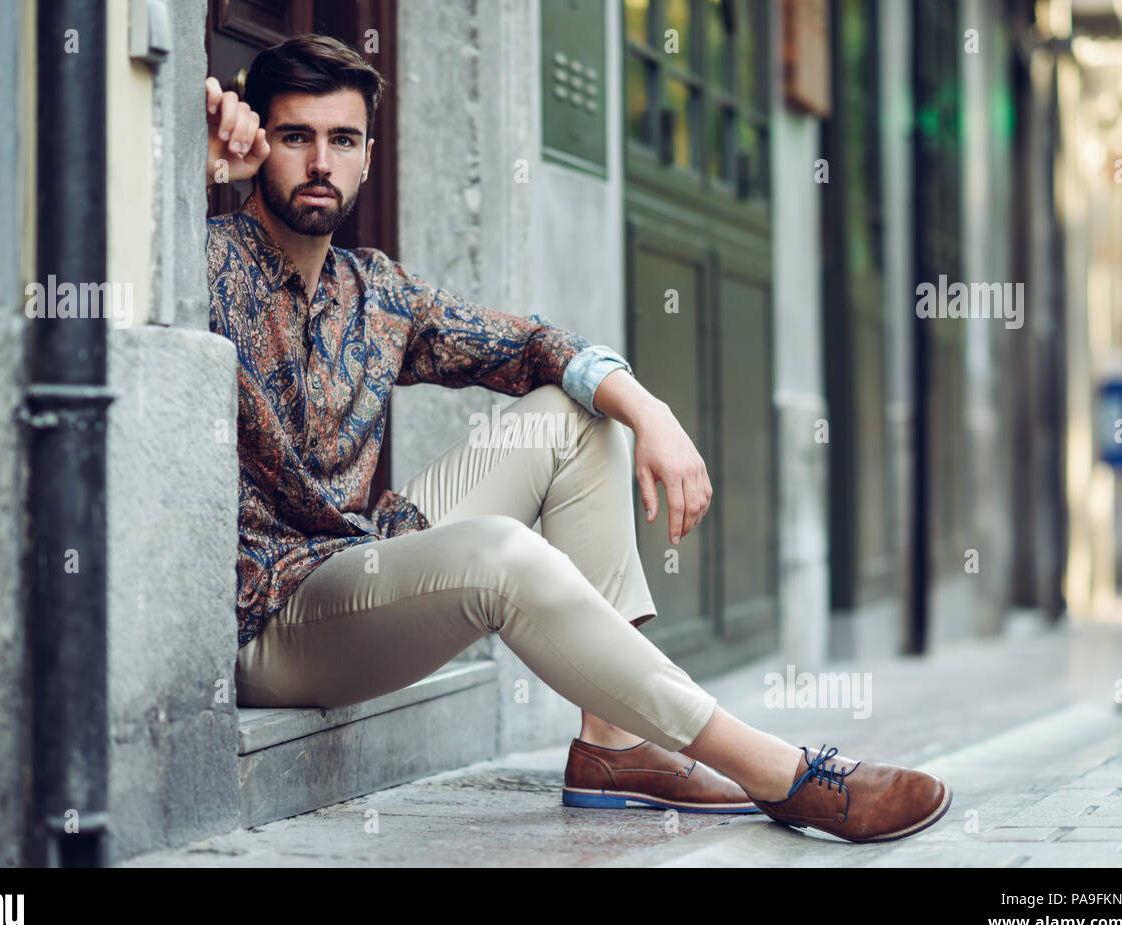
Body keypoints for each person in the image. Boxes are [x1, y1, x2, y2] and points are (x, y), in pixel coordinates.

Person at [204, 33, 951, 842]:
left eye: (340, 140)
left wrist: (649, 410)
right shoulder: (208, 265)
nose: (319, 161)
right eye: (294, 137)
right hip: (274, 623)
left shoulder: (375, 289)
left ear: (368, 156)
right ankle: (777, 770)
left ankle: (614, 744)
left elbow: (532, 345)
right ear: (260, 146)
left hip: (358, 556)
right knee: (501, 555)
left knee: (576, 411)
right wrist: (198, 178)